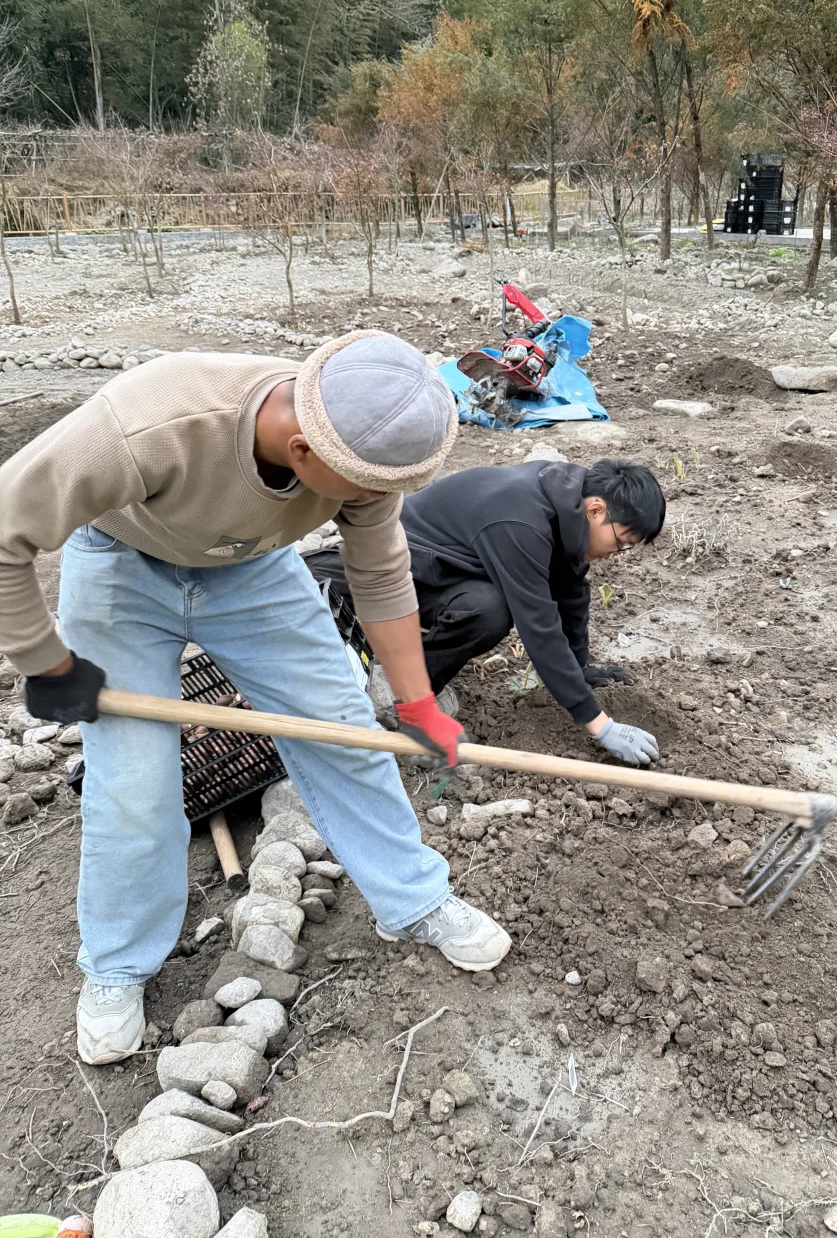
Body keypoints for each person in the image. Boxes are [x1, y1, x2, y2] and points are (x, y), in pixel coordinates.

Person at [0, 331, 511, 1066]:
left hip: (254, 572)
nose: (377, 503)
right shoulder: (150, 425)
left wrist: (416, 703)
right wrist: (47, 666)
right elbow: (6, 532)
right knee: (133, 783)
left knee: (345, 729)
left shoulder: (365, 452)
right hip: (121, 563)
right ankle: (115, 966)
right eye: (367, 490)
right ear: (303, 450)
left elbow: (382, 576)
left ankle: (414, 901)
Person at [401, 457, 666, 766]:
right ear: (596, 510)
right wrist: (601, 727)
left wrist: (578, 673)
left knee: (494, 601)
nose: (616, 554)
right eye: (622, 543)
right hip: (399, 575)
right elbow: (539, 628)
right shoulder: (522, 521)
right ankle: (409, 694)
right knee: (487, 611)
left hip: (452, 570)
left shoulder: (565, 504)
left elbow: (571, 592)